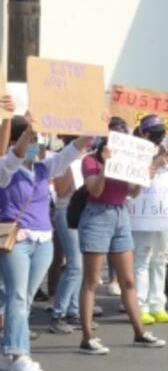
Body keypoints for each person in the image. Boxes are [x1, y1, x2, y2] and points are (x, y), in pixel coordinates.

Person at [0, 115, 88, 369]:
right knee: (16, 296)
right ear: (17, 140)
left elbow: (70, 153)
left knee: (25, 298)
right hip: (17, 241)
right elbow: (15, 157)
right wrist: (28, 129)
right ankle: (19, 354)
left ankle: (8, 353)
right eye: (31, 139)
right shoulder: (5, 168)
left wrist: (90, 129)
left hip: (44, 240)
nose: (36, 144)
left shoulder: (43, 167)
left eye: (37, 139)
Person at [77, 117, 167, 355]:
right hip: (97, 216)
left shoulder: (126, 160)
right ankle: (87, 337)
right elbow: (95, 190)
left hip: (120, 215)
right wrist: (106, 165)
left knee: (128, 280)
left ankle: (139, 332)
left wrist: (146, 173)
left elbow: (134, 192)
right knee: (92, 281)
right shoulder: (90, 161)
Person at [130, 115, 168, 326]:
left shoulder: (164, 152)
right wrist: (155, 164)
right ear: (144, 133)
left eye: (161, 131)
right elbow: (134, 179)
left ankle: (157, 304)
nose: (159, 135)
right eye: (155, 131)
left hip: (163, 213)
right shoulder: (134, 151)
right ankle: (139, 306)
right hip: (143, 213)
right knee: (142, 259)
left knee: (161, 258)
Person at [49, 135, 88, 335]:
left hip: (83, 213)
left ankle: (73, 310)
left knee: (80, 265)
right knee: (75, 265)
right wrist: (73, 164)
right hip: (66, 211)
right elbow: (61, 190)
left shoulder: (87, 159)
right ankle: (58, 313)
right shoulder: (62, 160)